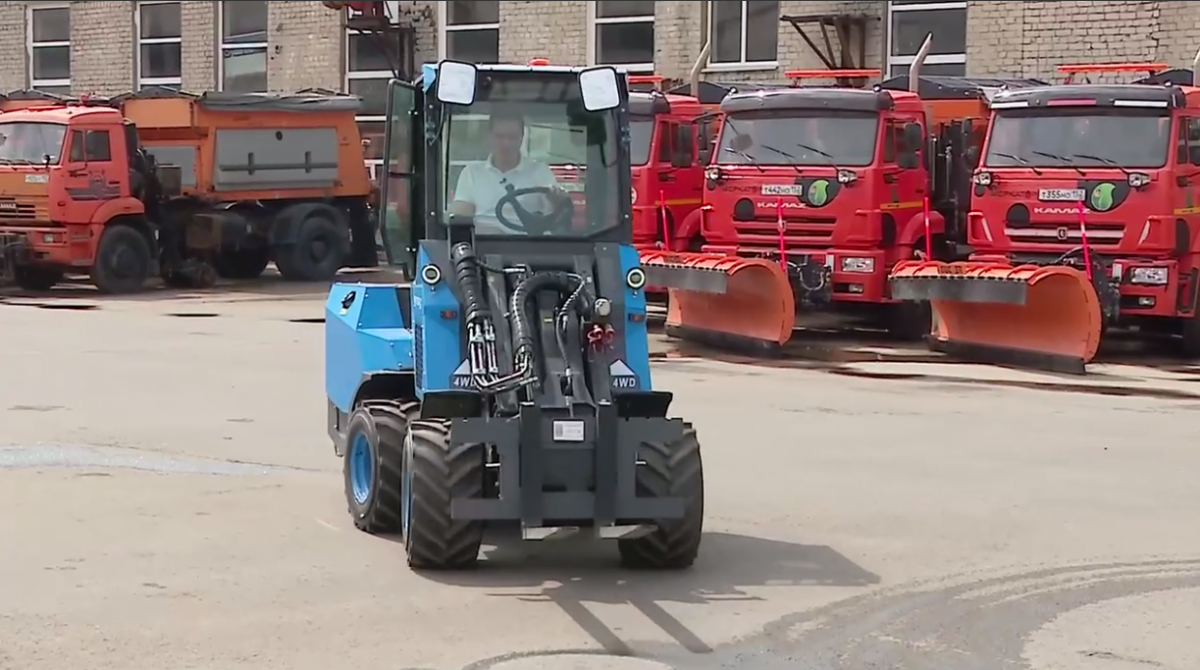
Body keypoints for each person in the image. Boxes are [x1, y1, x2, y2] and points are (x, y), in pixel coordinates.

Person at [449, 109, 570, 234]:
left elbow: (557, 214)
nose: (506, 143)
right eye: (500, 136)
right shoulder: (472, 173)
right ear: (489, 137)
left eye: (512, 137)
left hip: (530, 244)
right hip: (485, 242)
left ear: (521, 138)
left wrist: (557, 202)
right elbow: (461, 216)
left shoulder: (540, 171)